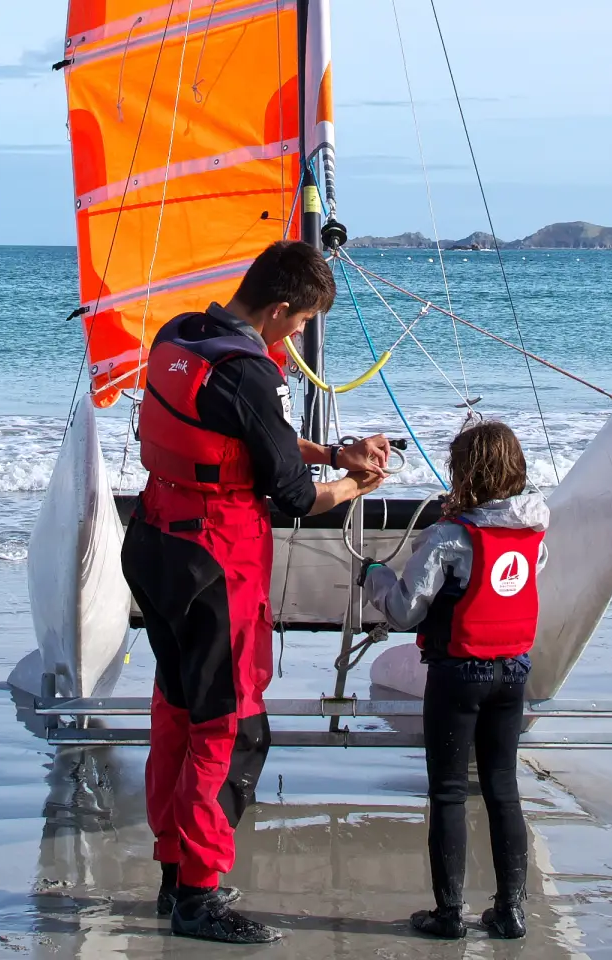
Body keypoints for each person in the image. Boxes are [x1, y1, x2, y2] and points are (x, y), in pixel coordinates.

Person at [120, 240, 389, 944]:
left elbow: (251, 435)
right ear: (277, 309)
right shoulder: (251, 374)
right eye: (299, 323)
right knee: (232, 729)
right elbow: (295, 497)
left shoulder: (181, 335)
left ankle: (175, 875)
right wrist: (355, 484)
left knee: (178, 709)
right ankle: (199, 898)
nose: (297, 334)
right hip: (212, 564)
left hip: (152, 544)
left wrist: (336, 451)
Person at [362, 420, 545, 940]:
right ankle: (510, 911)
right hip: (513, 672)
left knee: (446, 793)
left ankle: (448, 915)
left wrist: (374, 576)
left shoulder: (449, 538)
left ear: (465, 473)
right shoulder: (534, 529)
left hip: (458, 674)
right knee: (502, 789)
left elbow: (403, 611)